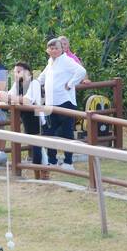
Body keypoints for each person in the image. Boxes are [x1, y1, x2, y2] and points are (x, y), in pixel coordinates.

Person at [39, 37, 88, 168]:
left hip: (65, 102)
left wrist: (70, 84)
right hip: (50, 104)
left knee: (67, 133)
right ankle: (52, 161)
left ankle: (68, 162)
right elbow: (41, 78)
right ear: (47, 50)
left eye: (56, 48)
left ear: (61, 49)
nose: (54, 51)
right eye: (51, 48)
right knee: (49, 133)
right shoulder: (50, 62)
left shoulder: (66, 60)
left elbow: (81, 71)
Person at [5, 61, 46, 176]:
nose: (15, 75)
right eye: (14, 72)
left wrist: (11, 98)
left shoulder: (34, 83)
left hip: (35, 117)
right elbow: (8, 97)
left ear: (27, 72)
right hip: (25, 116)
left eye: (18, 72)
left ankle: (39, 171)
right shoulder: (17, 84)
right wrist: (8, 97)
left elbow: (27, 100)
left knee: (37, 144)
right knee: (35, 144)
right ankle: (43, 169)